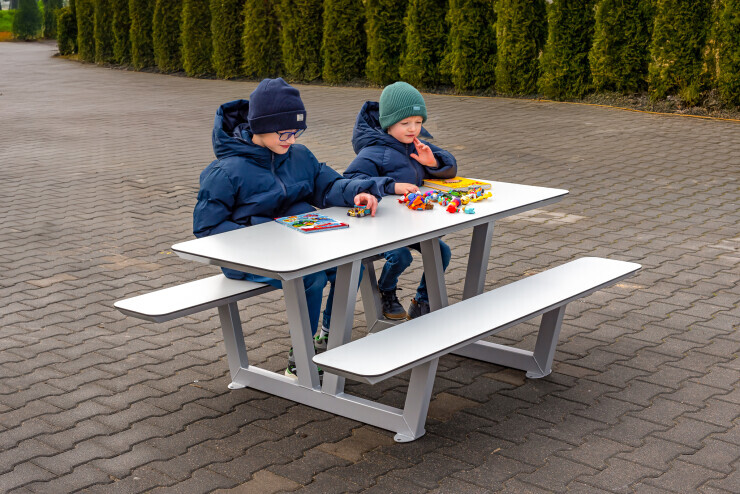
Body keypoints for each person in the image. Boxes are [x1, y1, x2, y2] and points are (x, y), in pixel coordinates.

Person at [193, 78, 389, 379]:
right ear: (260, 127)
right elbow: (206, 229)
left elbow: (327, 185)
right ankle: (301, 357)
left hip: (294, 247)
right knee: (309, 278)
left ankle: (330, 335)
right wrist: (265, 233)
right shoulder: (225, 172)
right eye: (284, 132)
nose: (292, 139)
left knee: (351, 266)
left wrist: (355, 192)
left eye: (296, 132)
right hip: (247, 256)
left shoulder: (299, 156)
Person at [344, 81, 457, 320]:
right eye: (405, 123)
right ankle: (386, 290)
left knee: (441, 252)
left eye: (418, 122)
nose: (413, 129)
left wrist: (432, 163)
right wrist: (391, 186)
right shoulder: (374, 150)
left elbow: (449, 164)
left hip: (409, 225)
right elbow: (351, 179)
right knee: (401, 256)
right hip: (380, 225)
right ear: (388, 123)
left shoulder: (413, 145)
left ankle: (422, 302)